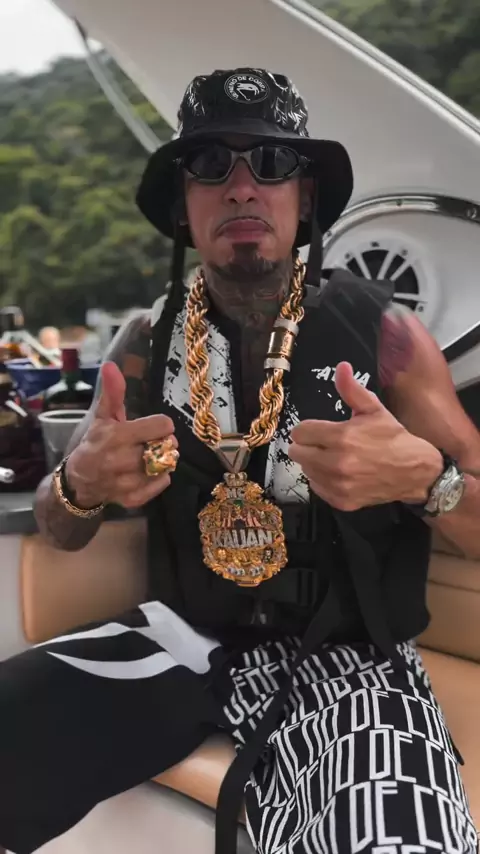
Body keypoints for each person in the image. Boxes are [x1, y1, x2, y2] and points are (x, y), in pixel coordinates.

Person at [0, 68, 479, 854]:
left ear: (306, 198)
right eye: (210, 164)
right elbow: (59, 521)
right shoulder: (144, 342)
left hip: (352, 658)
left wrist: (430, 481)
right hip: (182, 637)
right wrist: (79, 485)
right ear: (182, 206)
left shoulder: (388, 337)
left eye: (274, 163)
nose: (243, 186)